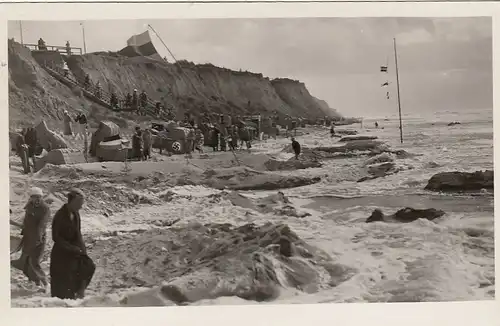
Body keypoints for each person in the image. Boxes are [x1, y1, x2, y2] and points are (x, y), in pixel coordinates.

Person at [50, 188, 95, 299]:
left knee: (88, 266)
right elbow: (56, 237)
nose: (81, 206)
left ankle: (79, 291)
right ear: (72, 201)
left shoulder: (76, 215)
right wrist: (71, 248)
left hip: (74, 250)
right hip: (61, 252)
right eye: (79, 203)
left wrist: (82, 250)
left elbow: (78, 234)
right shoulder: (60, 215)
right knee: (65, 279)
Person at [11, 187, 51, 287]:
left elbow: (41, 225)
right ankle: (35, 282)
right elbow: (27, 223)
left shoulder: (45, 209)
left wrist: (38, 239)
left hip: (38, 239)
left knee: (34, 262)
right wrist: (16, 224)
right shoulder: (29, 206)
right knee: (26, 261)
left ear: (42, 198)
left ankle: (46, 283)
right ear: (31, 198)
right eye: (35, 197)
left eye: (39, 197)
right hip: (28, 238)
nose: (37, 199)